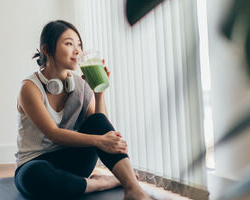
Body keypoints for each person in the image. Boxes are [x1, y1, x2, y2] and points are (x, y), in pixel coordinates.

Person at [14, 20, 150, 200]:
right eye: (69, 43)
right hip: (35, 163)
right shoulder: (30, 88)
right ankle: (105, 182)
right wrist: (99, 141)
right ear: (47, 50)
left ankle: (132, 187)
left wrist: (98, 93)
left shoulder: (79, 85)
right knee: (36, 177)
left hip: (72, 160)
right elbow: (53, 133)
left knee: (96, 121)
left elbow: (100, 124)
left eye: (79, 44)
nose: (77, 50)